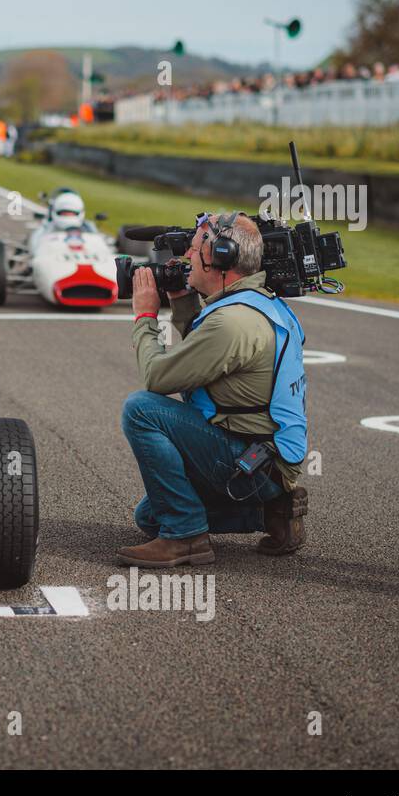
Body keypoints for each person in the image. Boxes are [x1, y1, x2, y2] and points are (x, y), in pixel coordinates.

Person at [118, 212, 309, 568]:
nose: (184, 258)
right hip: (266, 460)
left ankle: (186, 536)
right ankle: (271, 511)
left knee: (141, 409)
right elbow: (208, 357)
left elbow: (158, 377)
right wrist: (180, 299)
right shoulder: (261, 304)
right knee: (149, 517)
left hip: (251, 462)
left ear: (221, 257)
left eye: (192, 250)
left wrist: (145, 317)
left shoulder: (231, 322)